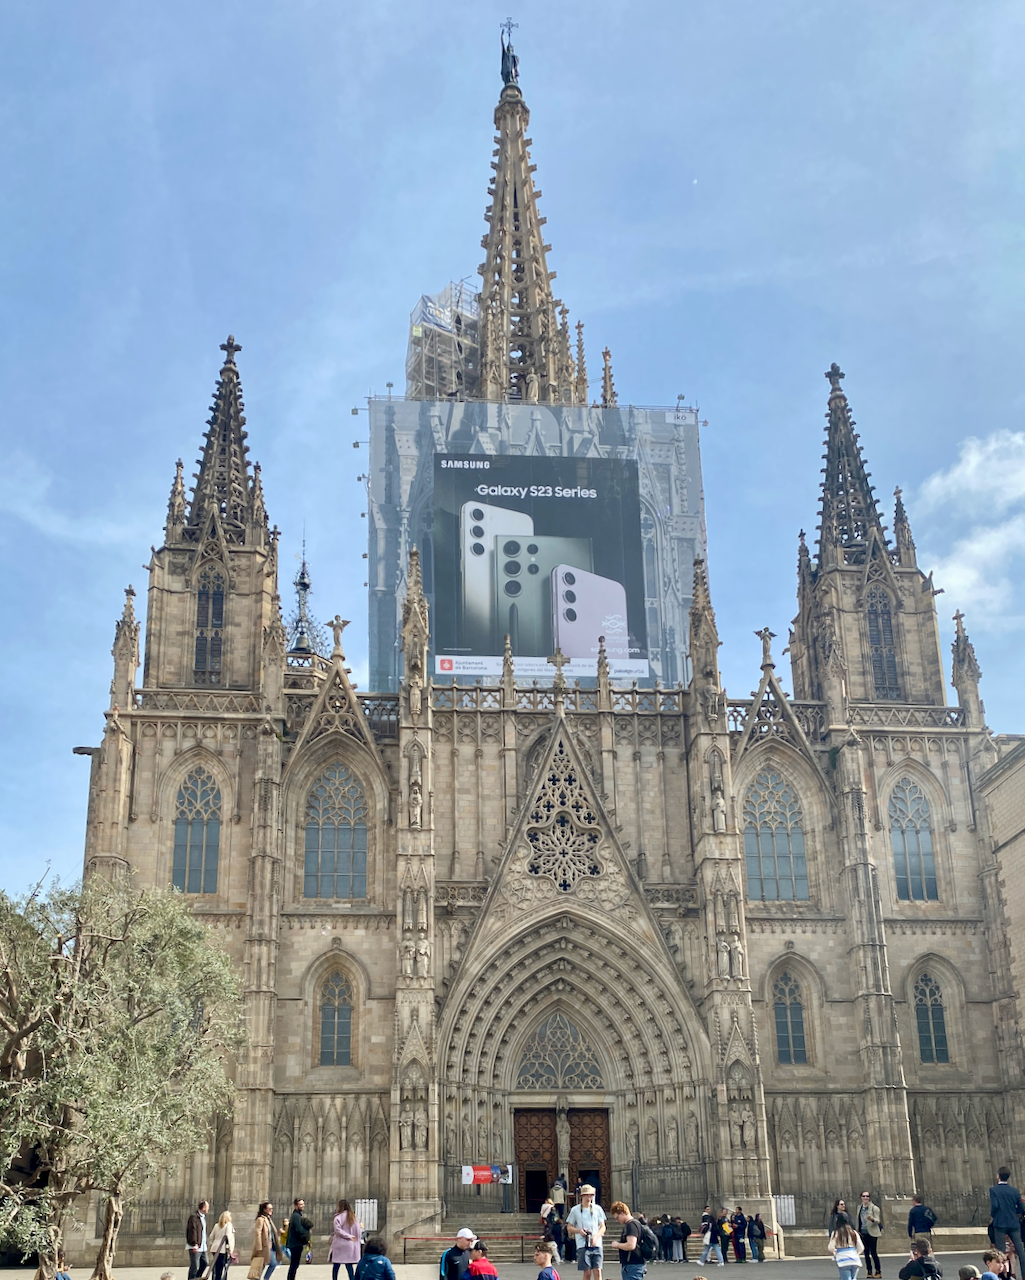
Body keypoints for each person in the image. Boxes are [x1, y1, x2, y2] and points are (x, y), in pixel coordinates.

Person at [566, 1183, 606, 1280]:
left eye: (591, 1195)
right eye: (587, 1195)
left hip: (596, 1243)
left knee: (598, 1271)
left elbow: (603, 1227)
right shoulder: (575, 1210)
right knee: (587, 1272)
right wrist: (579, 1230)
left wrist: (596, 1237)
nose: (589, 1197)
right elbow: (569, 1227)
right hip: (582, 1244)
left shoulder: (598, 1209)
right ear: (582, 1196)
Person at [990, 1168, 1025, 1271]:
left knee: (1000, 1252)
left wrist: (993, 1214)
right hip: (1013, 1223)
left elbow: (995, 1206)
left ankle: (1002, 1275)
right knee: (1021, 1251)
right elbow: (1021, 1208)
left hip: (1000, 1223)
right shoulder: (1014, 1191)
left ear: (998, 1176)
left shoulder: (994, 1190)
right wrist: (1014, 1213)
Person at [248, 1202, 284, 1280]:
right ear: (264, 1209)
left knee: (262, 1265)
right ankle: (265, 1278)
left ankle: (258, 1278)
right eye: (269, 1209)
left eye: (272, 1209)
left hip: (270, 1246)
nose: (271, 1210)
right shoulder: (260, 1219)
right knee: (272, 1264)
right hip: (264, 1246)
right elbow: (258, 1232)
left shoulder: (268, 1219)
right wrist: (259, 1246)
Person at [329, 1200, 362, 1280]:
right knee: (349, 1266)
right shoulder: (353, 1217)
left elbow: (338, 1230)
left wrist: (347, 1236)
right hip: (350, 1244)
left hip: (339, 1244)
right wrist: (355, 1240)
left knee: (336, 1265)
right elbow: (358, 1231)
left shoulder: (338, 1217)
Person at [828, 1213, 865, 1280]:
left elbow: (830, 1247)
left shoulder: (836, 1233)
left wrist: (834, 1251)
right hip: (855, 1259)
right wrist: (856, 1253)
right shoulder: (854, 1232)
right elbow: (861, 1247)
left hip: (843, 1260)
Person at [857, 1191, 883, 1279]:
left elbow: (878, 1220)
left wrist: (872, 1219)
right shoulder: (859, 1208)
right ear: (861, 1197)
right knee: (866, 1253)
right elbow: (858, 1219)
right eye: (863, 1196)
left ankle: (878, 1271)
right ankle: (869, 1271)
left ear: (869, 1198)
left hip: (872, 1233)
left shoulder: (874, 1208)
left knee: (873, 1253)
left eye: (867, 1196)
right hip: (863, 1232)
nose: (865, 1198)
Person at [286, 1199, 312, 1280]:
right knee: (294, 1264)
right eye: (300, 1204)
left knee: (294, 1264)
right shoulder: (296, 1216)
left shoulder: (297, 1215)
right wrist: (307, 1235)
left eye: (303, 1204)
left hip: (296, 1243)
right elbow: (299, 1229)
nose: (303, 1206)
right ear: (295, 1206)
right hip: (295, 1244)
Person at [187, 1201, 211, 1280]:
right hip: (196, 1246)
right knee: (195, 1266)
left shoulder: (203, 1217)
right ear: (203, 1207)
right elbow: (192, 1231)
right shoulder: (194, 1217)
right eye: (207, 1207)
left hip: (203, 1246)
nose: (208, 1208)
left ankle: (197, 1278)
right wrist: (194, 1244)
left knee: (205, 1263)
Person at [209, 1212, 236, 1280]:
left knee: (216, 1267)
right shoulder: (228, 1225)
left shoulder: (216, 1225)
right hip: (223, 1249)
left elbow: (211, 1237)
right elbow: (228, 1237)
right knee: (222, 1268)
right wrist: (230, 1250)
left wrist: (213, 1243)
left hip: (215, 1248)